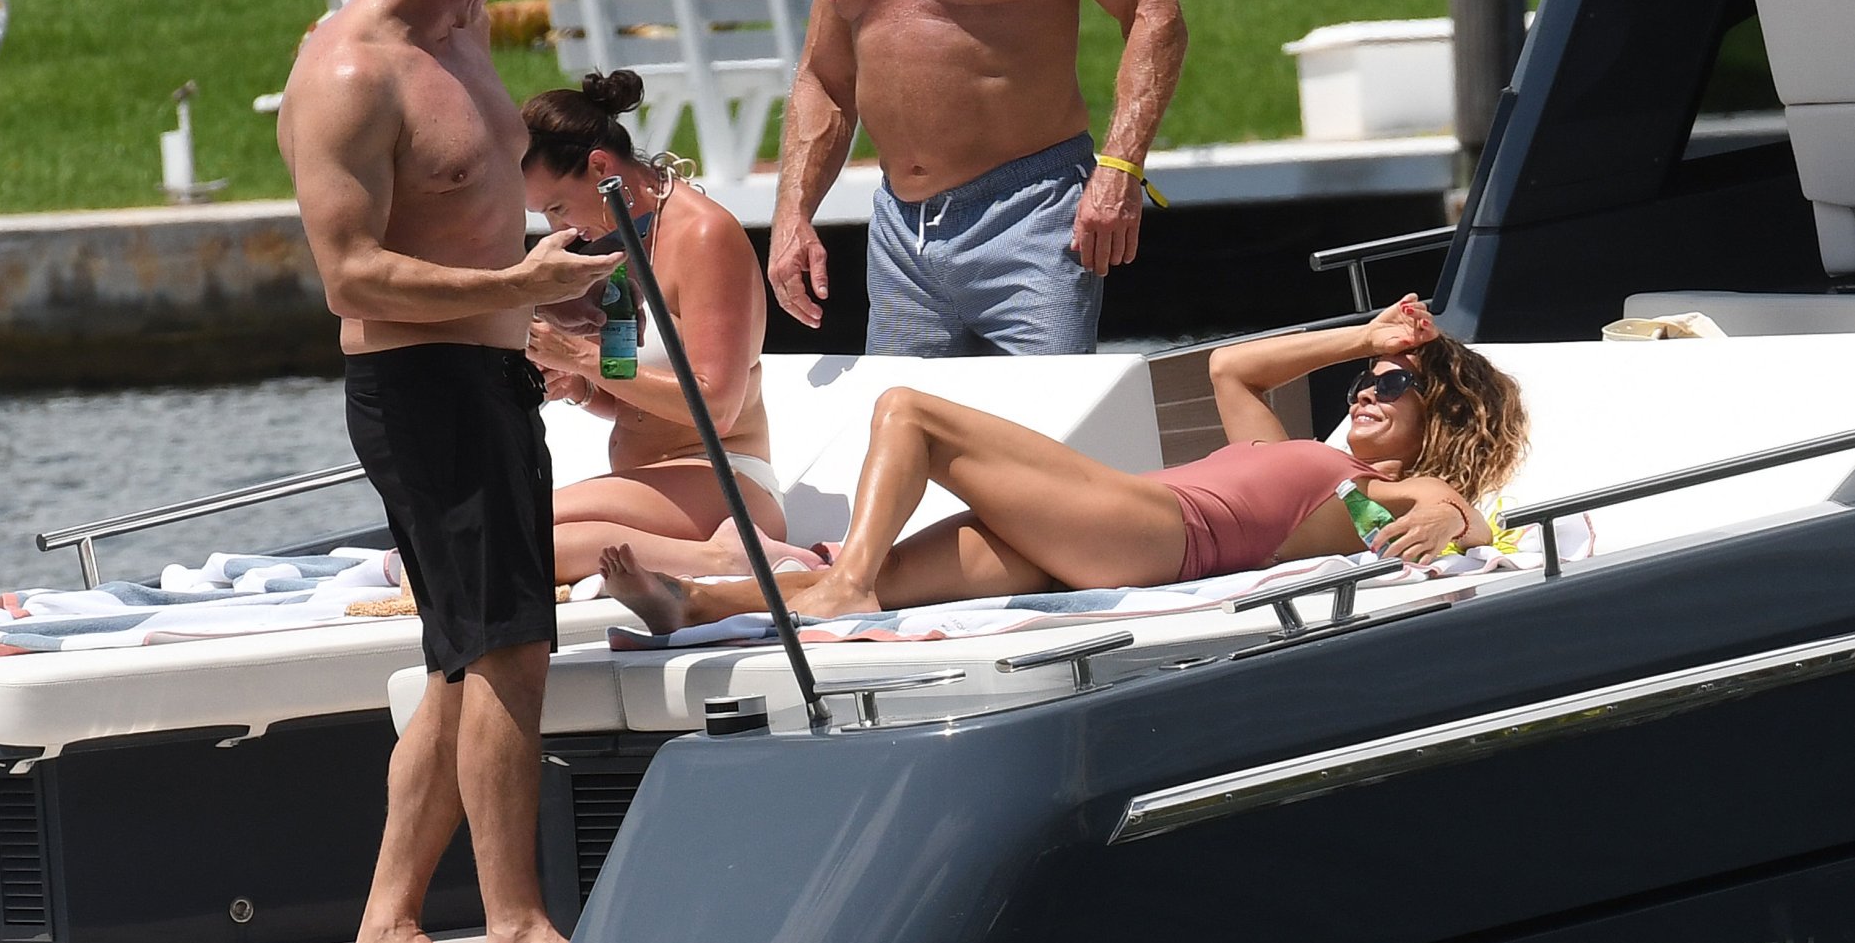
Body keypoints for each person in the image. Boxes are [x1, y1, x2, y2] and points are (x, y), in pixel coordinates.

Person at [276, 0, 620, 943]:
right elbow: (351, 275)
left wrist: (540, 294)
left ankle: (388, 931)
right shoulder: (349, 74)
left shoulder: (460, 26)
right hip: (422, 389)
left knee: (462, 663)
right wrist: (515, 287)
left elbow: (470, 205)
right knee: (511, 649)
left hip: (488, 372)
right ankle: (514, 929)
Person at [600, 295, 1530, 633]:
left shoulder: (1377, 487)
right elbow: (1229, 367)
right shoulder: (1295, 452)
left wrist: (1450, 519)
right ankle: (698, 607)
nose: (1368, 389)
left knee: (908, 410)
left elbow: (1455, 508)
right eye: (1367, 379)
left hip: (1151, 532)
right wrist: (1364, 337)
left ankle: (841, 587)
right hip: (1095, 537)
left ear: (1438, 422)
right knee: (890, 579)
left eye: (1394, 386)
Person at [768, 0, 1189, 357]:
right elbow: (824, 77)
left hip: (1031, 215)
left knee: (1042, 413)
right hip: (901, 236)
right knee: (899, 415)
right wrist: (791, 214)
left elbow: (1152, 10)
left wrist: (1120, 166)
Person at [522, 70, 799, 584]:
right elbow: (629, 397)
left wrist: (577, 356)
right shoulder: (620, 241)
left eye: (557, 207)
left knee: (506, 535)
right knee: (490, 540)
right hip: (654, 486)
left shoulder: (703, 235)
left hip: (726, 479)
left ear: (600, 166)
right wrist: (580, 387)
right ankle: (701, 557)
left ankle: (727, 558)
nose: (560, 229)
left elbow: (717, 407)